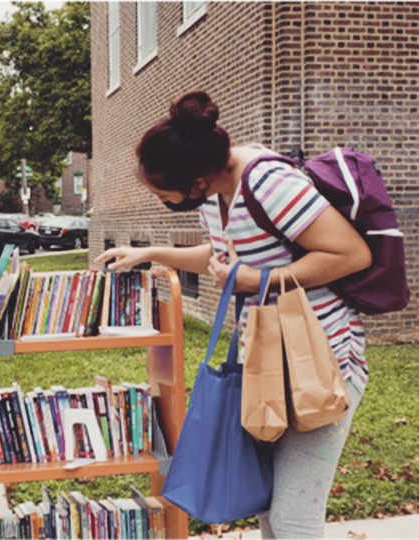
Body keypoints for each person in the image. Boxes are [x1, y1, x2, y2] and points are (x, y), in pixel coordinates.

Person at [96, 91, 372, 539]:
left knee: (292, 518)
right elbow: (222, 255)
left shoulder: (269, 184)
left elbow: (351, 253)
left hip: (323, 365)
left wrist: (255, 281)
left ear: (197, 181)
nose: (164, 201)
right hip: (268, 367)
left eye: (166, 195)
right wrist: (149, 251)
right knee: (267, 509)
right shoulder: (212, 196)